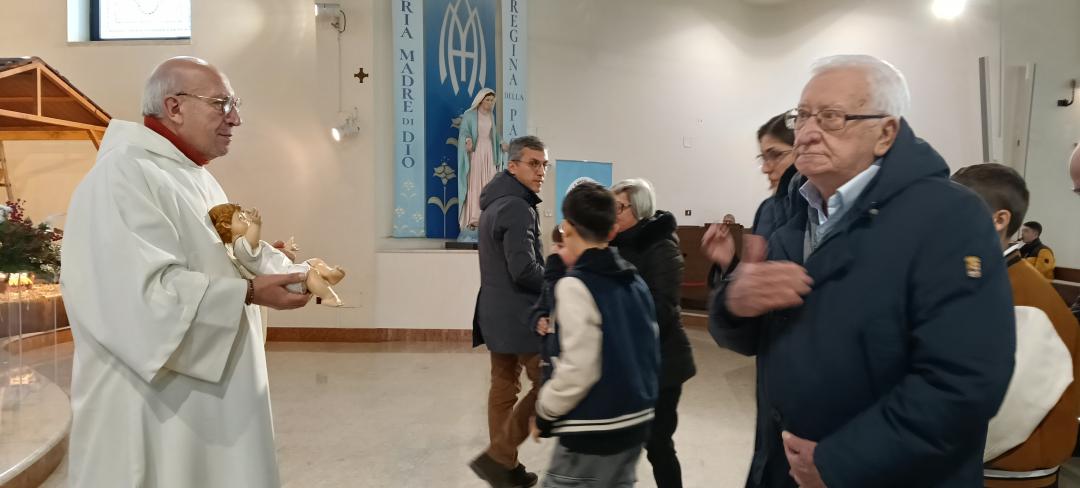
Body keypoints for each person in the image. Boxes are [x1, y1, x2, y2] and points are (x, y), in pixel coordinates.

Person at [706, 54, 1015, 487]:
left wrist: (838, 464)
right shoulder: (791, 211)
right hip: (783, 466)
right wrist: (735, 303)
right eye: (801, 116)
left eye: (831, 118)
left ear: (886, 133)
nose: (806, 133)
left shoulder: (949, 218)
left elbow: (965, 382)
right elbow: (755, 341)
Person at [59, 57, 311, 488]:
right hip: (153, 406)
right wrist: (249, 292)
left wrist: (274, 266)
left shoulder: (195, 177)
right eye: (221, 104)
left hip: (203, 399)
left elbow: (215, 255)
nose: (235, 118)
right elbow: (138, 297)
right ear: (174, 107)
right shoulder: (123, 175)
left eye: (235, 104)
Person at [952, 163, 1079, 488]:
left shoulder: (1025, 300)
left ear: (1000, 220)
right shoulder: (987, 280)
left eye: (955, 210)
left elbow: (1007, 417)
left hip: (1009, 476)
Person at [533, 181, 660, 488]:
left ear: (567, 228)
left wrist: (545, 410)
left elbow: (579, 369)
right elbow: (651, 350)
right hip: (635, 422)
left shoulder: (575, 285)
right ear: (612, 230)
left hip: (592, 429)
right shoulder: (634, 279)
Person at [470, 135, 549, 487]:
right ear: (512, 166)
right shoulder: (517, 207)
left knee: (503, 389)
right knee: (551, 383)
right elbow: (524, 270)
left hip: (494, 312)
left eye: (544, 164)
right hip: (521, 315)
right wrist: (560, 282)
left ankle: (506, 469)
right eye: (533, 163)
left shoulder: (494, 204)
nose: (541, 171)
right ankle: (500, 458)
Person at [610, 178, 696, 488]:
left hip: (662, 365)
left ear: (638, 209)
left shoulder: (661, 246)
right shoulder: (614, 244)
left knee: (658, 444)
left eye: (618, 207)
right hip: (627, 363)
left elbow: (662, 309)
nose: (612, 213)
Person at [705, 112, 799, 288]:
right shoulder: (766, 209)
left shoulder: (818, 208)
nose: (765, 168)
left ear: (803, 150)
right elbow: (751, 288)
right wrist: (729, 262)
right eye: (763, 158)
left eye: (776, 155)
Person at [208, 203, 346, 306]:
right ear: (226, 225)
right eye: (241, 218)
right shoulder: (240, 245)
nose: (246, 220)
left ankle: (330, 275)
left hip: (287, 269)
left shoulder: (244, 246)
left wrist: (286, 249)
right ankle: (328, 297)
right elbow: (252, 242)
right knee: (311, 273)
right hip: (286, 278)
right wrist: (256, 224)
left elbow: (266, 255)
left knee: (314, 261)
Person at [458, 88, 508, 240]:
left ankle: (488, 217)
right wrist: (467, 140)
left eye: (492, 100)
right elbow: (464, 131)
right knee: (476, 184)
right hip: (476, 152)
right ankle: (474, 219)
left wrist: (501, 142)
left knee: (489, 183)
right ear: (480, 100)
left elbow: (494, 134)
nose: (490, 103)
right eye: (488, 100)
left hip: (489, 152)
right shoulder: (469, 115)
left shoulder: (491, 116)